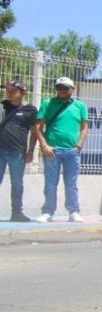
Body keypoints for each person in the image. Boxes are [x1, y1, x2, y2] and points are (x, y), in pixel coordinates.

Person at [33, 77, 89, 223]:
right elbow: (38, 127)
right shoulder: (47, 103)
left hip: (72, 151)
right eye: (59, 88)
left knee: (71, 183)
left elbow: (84, 127)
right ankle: (47, 212)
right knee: (51, 183)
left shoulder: (80, 106)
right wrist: (44, 146)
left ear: (72, 88)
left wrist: (79, 145)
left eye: (65, 88)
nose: (62, 91)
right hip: (52, 150)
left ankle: (73, 211)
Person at [0, 80, 39, 222]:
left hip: (17, 153)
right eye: (7, 90)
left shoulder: (30, 110)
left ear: (22, 93)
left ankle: (17, 213)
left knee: (17, 184)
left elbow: (35, 132)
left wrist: (31, 151)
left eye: (12, 90)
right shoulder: (2, 107)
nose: (8, 93)